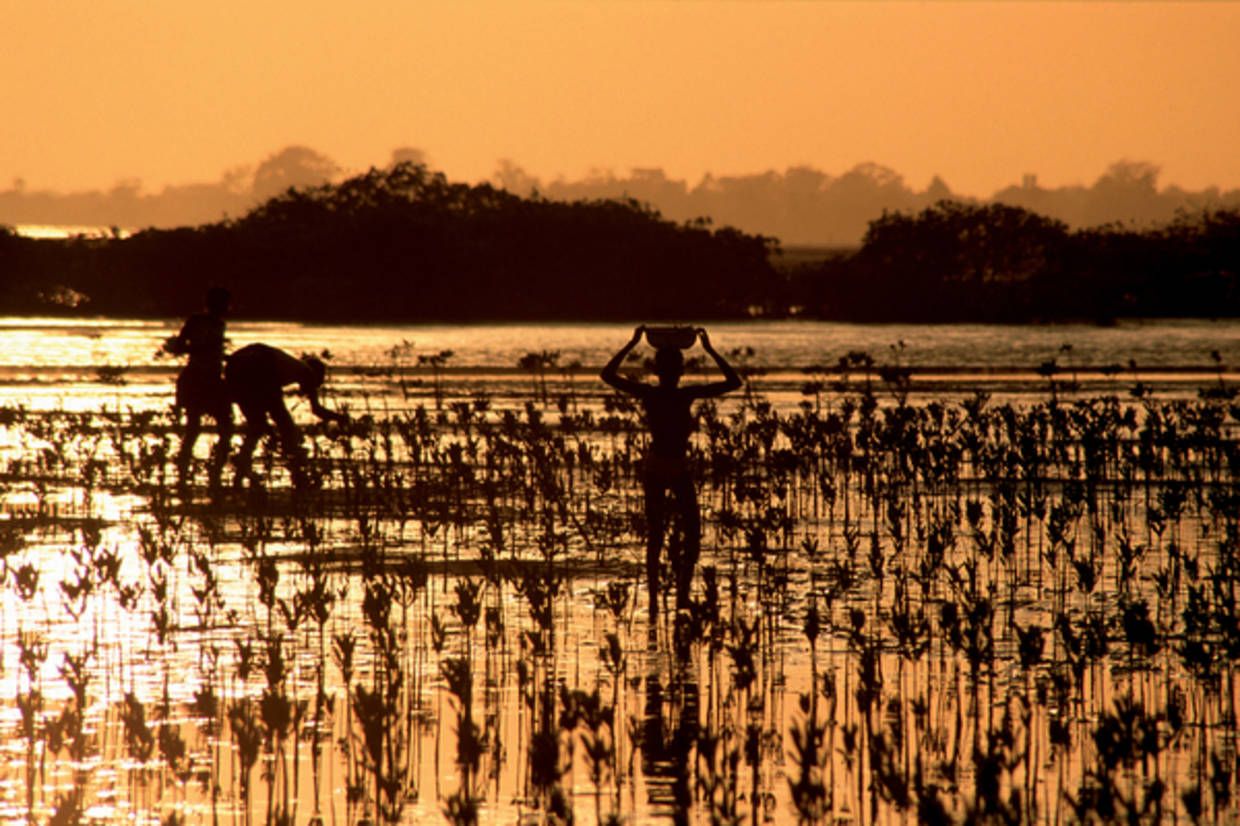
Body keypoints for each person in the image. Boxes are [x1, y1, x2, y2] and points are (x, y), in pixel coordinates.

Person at [600, 325, 741, 618]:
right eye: (676, 367)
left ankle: (661, 598)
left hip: (659, 466)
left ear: (658, 370)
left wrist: (632, 344)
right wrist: (710, 350)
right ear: (679, 371)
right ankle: (678, 597)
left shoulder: (651, 393)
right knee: (687, 533)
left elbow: (608, 375)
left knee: (658, 534)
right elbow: (733, 382)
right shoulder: (683, 394)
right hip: (670, 466)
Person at [224, 343, 348, 488]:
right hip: (260, 363)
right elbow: (317, 410)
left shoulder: (290, 365)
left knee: (257, 425)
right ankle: (298, 473)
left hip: (237, 364)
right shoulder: (307, 372)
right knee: (286, 427)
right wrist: (341, 418)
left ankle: (241, 468)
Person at [166, 286, 232, 488]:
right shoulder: (199, 322)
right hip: (200, 379)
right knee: (205, 428)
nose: (229, 308)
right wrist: (203, 349)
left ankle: (209, 474)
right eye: (226, 304)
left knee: (206, 428)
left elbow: (180, 346)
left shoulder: (217, 323)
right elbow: (179, 346)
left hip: (206, 378)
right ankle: (195, 476)